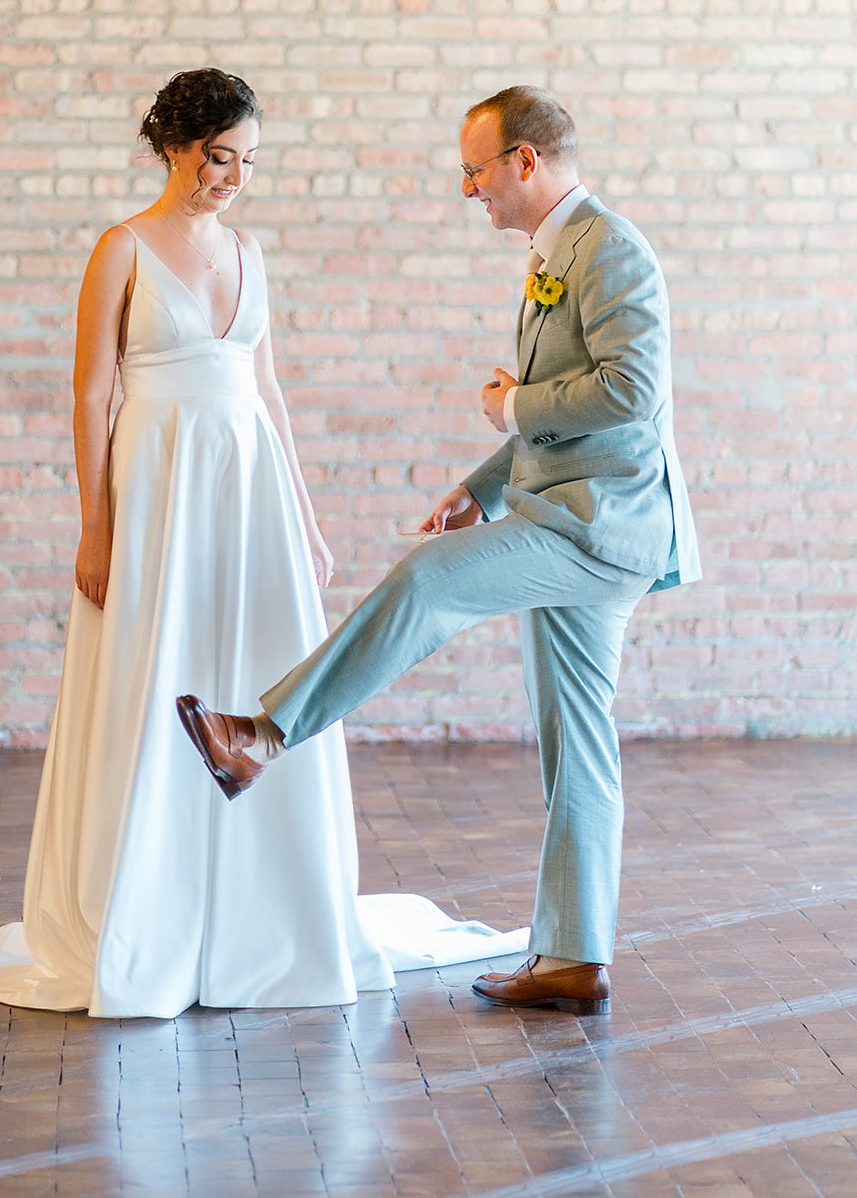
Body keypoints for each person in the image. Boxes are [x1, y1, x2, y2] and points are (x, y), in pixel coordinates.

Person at [0, 69, 527, 1020]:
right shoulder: (122, 249)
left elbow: (267, 394)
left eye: (247, 161)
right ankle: (146, 907)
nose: (231, 177)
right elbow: (91, 393)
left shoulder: (250, 252)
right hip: (154, 488)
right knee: (153, 678)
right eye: (218, 157)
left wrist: (304, 521)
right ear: (175, 148)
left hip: (249, 491)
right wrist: (94, 524)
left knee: (258, 668)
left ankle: (257, 908)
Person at [179, 85, 701, 1018]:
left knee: (427, 583)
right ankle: (575, 959)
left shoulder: (609, 249)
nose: (468, 190)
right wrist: (486, 481)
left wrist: (510, 408)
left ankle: (260, 736)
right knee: (577, 746)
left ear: (525, 162)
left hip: (594, 525)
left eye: (475, 169)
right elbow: (574, 394)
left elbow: (627, 397)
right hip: (565, 509)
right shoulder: (561, 252)